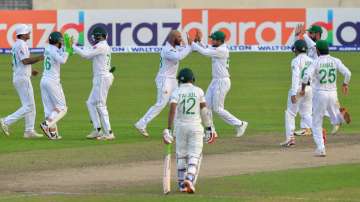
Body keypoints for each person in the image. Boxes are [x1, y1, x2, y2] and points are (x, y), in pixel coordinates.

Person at [163, 68, 216, 193]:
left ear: (179, 81)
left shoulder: (176, 92)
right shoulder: (198, 91)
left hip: (180, 127)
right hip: (195, 127)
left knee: (181, 155)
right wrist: (209, 127)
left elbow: (172, 110)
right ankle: (190, 178)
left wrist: (168, 129)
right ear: (193, 79)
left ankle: (182, 184)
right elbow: (204, 111)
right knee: (195, 155)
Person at [135, 30, 192, 137]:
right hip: (164, 79)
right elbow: (179, 56)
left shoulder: (175, 47)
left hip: (172, 80)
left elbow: (186, 49)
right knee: (161, 103)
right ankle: (141, 123)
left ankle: (176, 131)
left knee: (176, 103)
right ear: (172, 38)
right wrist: (189, 46)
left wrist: (192, 43)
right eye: (179, 37)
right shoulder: (167, 50)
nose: (181, 39)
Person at [191, 30, 248, 137]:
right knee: (205, 106)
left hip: (222, 81)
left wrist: (193, 44)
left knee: (218, 109)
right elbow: (207, 48)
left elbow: (205, 52)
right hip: (215, 80)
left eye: (213, 39)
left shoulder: (222, 50)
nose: (211, 40)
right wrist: (199, 41)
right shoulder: (217, 47)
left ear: (219, 41)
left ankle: (240, 124)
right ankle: (211, 131)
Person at [295, 24, 349, 135]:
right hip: (313, 80)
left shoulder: (317, 45)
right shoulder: (312, 46)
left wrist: (303, 34)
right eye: (309, 33)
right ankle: (309, 127)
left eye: (311, 33)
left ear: (318, 35)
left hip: (316, 82)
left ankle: (337, 117)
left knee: (315, 106)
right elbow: (298, 46)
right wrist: (297, 35)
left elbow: (311, 43)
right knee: (312, 105)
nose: (310, 34)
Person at [301, 40, 351, 157]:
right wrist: (345, 84)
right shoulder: (335, 60)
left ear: (317, 50)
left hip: (320, 94)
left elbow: (306, 76)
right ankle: (341, 118)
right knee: (334, 117)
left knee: (316, 122)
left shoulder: (316, 62)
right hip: (333, 93)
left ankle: (321, 148)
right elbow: (348, 73)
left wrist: (303, 88)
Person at [0, 24, 43, 138]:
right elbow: (25, 61)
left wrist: (31, 70)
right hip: (22, 78)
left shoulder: (17, 45)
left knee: (30, 105)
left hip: (20, 76)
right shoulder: (21, 45)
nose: (29, 34)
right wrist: (40, 57)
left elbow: (16, 63)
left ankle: (29, 131)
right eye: (28, 32)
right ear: (23, 34)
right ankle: (6, 121)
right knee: (29, 106)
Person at [72, 27, 115, 140]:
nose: (94, 38)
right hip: (102, 77)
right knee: (90, 103)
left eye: (95, 36)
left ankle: (109, 133)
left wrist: (73, 47)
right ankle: (97, 129)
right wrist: (77, 46)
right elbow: (90, 53)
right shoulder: (102, 46)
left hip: (102, 78)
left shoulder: (100, 46)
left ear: (98, 36)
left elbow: (86, 55)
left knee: (100, 105)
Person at [280, 40, 313, 147]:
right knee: (306, 114)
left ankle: (290, 139)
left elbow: (296, 76)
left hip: (298, 88)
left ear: (297, 50)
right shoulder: (311, 60)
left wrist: (294, 93)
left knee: (290, 113)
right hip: (309, 88)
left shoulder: (295, 60)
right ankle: (319, 130)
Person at [39, 31, 71, 140]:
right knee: (62, 108)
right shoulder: (53, 50)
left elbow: (58, 53)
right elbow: (63, 60)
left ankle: (53, 133)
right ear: (58, 42)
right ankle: (46, 124)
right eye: (61, 41)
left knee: (49, 109)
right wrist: (67, 50)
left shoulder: (48, 48)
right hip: (52, 81)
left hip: (44, 80)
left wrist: (66, 48)